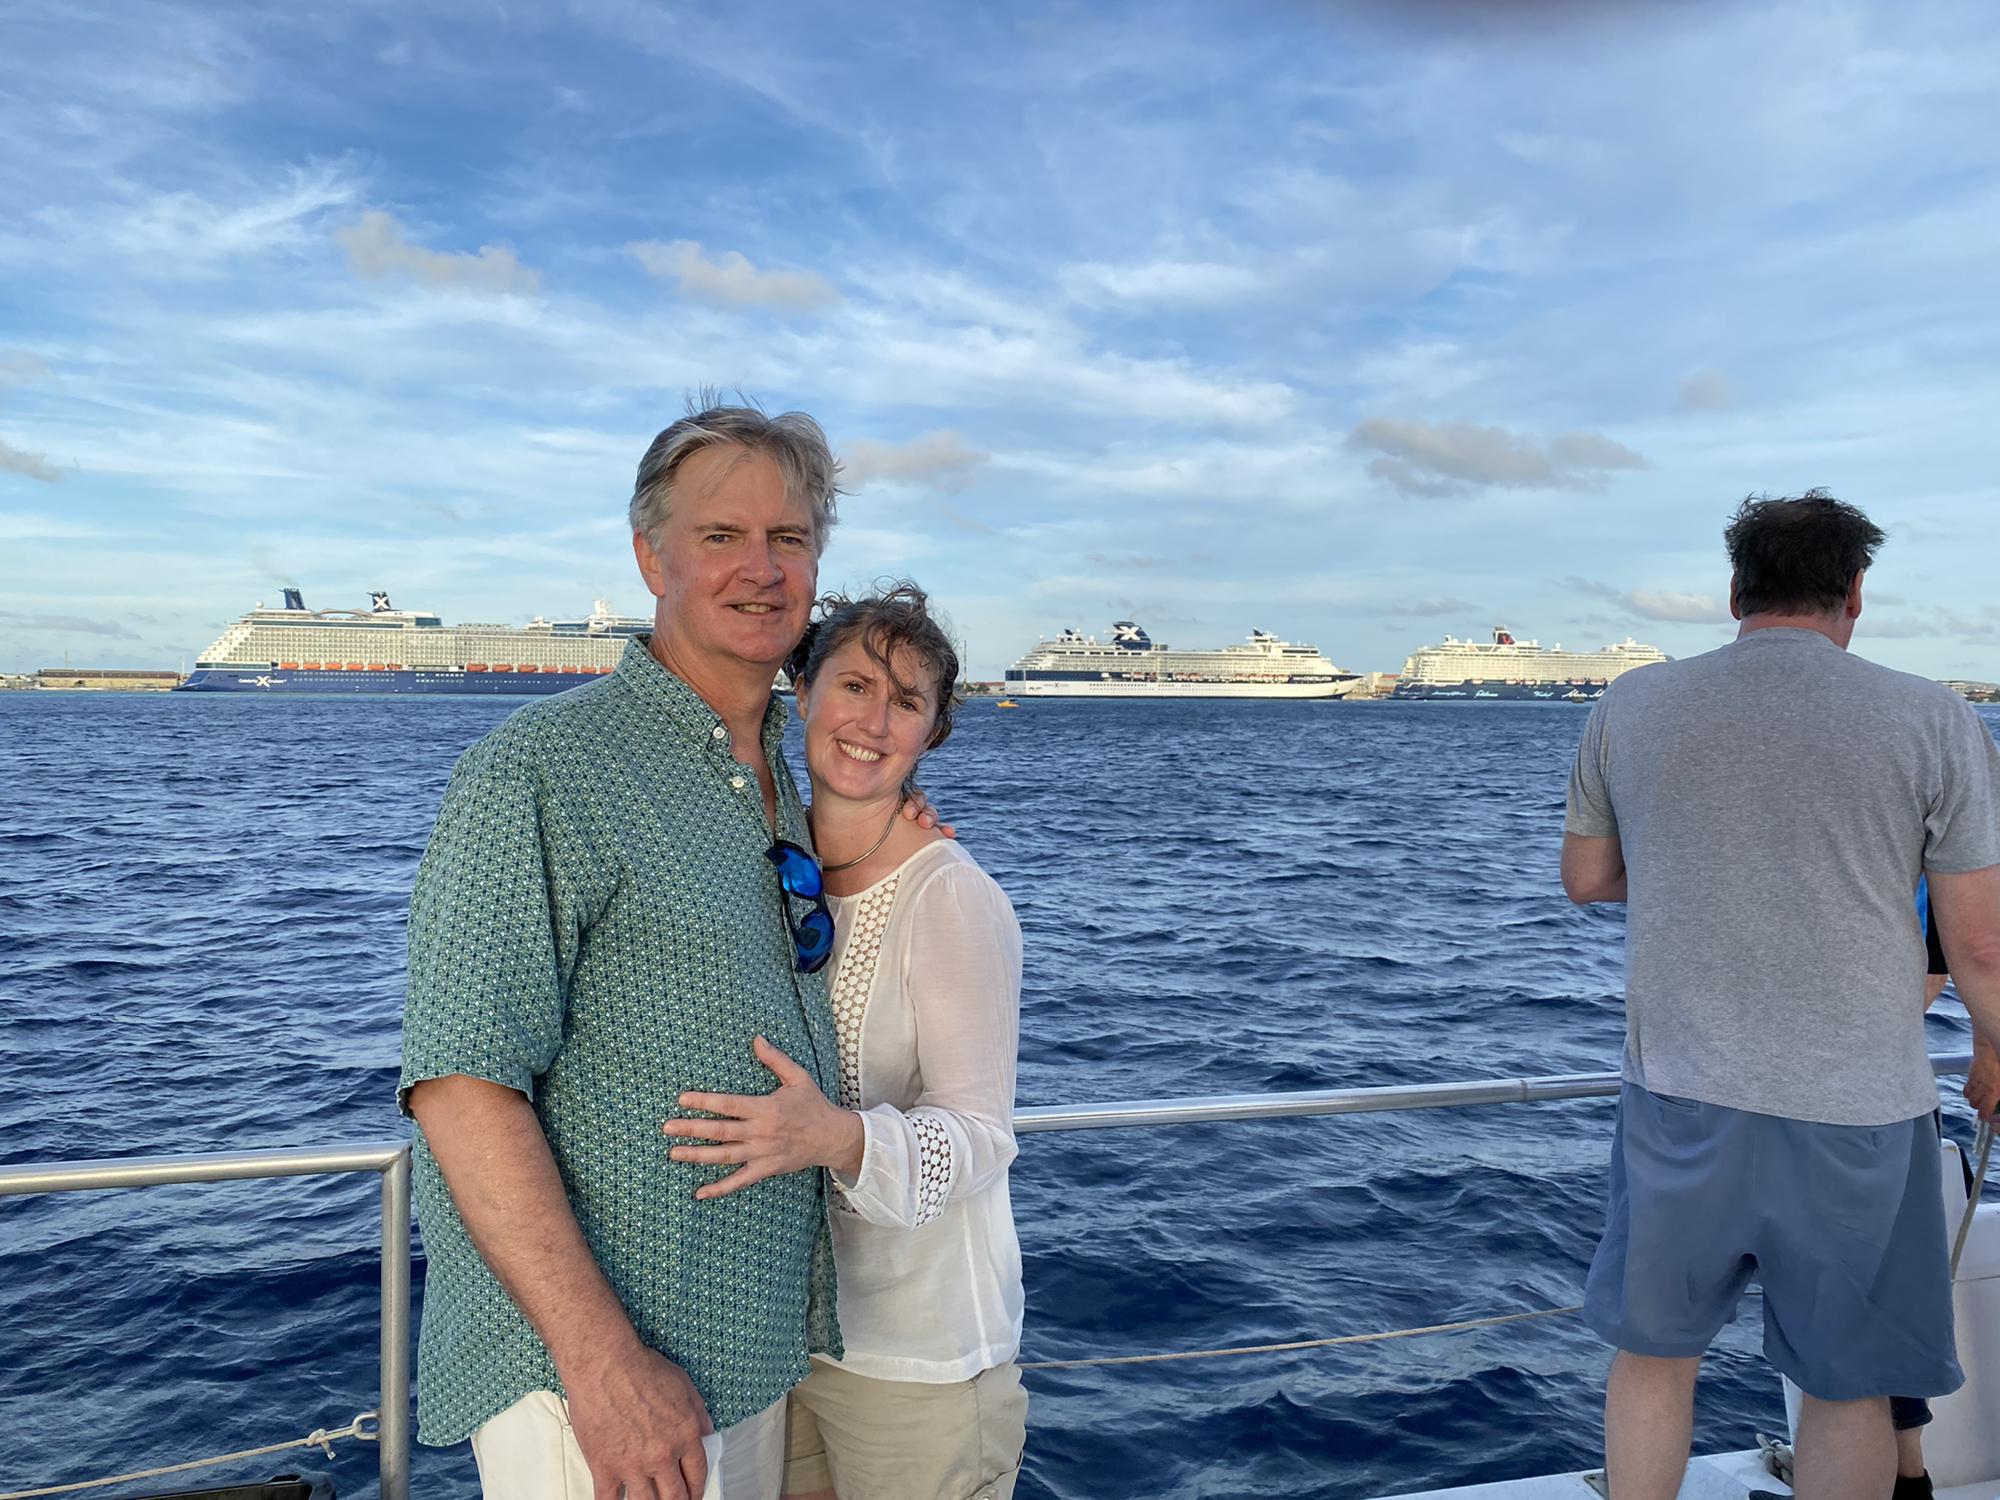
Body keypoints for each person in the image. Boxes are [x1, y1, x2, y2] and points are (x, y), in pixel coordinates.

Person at [400, 402, 937, 1500]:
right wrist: (604, 1365)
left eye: (789, 539)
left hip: (749, 1355)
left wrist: (885, 828)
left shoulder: (782, 782)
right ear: (651, 556)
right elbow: (461, 1086)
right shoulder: (541, 770)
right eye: (721, 536)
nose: (761, 568)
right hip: (598, 1392)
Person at [1559, 490, 2000, 1500]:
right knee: (1846, 1386)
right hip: (1857, 1111)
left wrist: (1687, 864)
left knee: (1654, 1359)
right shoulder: (1932, 718)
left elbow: (1584, 879)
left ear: (1731, 592)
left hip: (1677, 1096)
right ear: (1853, 592)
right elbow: (1976, 942)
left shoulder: (1630, 704)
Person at [662, 584, 1029, 1500]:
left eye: (907, 702)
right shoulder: (763, 858)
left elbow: (983, 1133)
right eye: (855, 685)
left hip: (919, 1362)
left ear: (932, 733)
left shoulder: (948, 896)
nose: (872, 720)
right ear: (803, 689)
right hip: (780, 1340)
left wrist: (839, 1139)